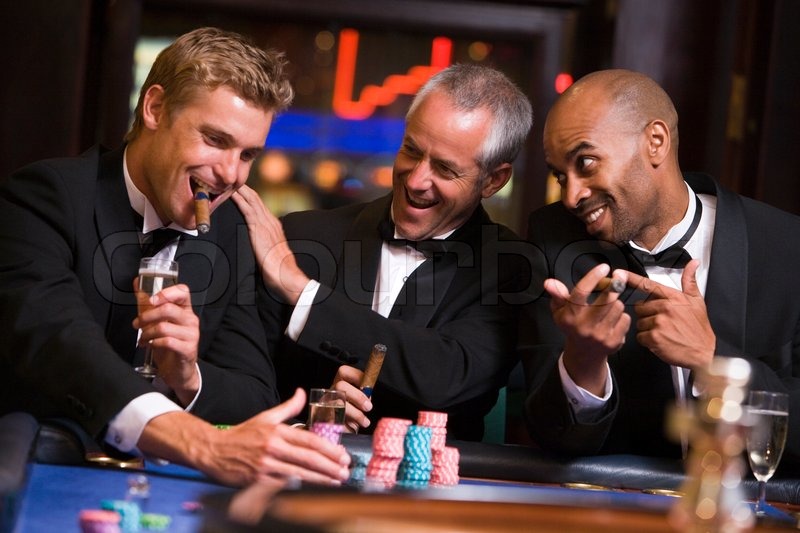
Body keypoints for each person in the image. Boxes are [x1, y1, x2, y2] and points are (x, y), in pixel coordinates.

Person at [0, 27, 350, 487]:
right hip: (38, 471)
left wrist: (188, 376)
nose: (230, 174)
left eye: (248, 154)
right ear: (155, 108)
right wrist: (201, 444)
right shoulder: (43, 198)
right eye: (215, 140)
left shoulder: (232, 236)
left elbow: (253, 395)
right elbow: (61, 344)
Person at [234, 63, 534, 440]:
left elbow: (449, 376)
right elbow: (244, 384)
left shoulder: (513, 266)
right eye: (411, 150)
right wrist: (308, 425)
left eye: (444, 168)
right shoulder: (299, 236)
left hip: (433, 494)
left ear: (494, 180)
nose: (416, 179)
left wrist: (302, 292)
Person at [520, 69, 800, 471]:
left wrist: (712, 358)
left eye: (586, 162)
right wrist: (583, 363)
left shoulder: (787, 246)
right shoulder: (551, 242)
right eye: (560, 175)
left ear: (655, 142)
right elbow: (551, 436)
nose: (572, 195)